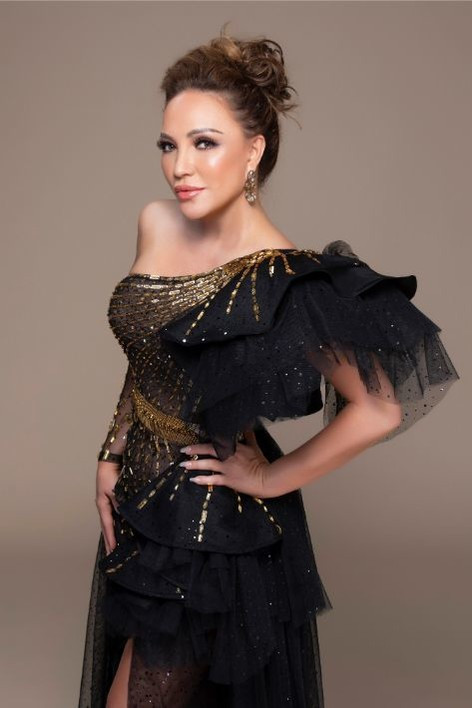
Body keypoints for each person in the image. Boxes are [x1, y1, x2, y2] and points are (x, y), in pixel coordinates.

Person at [78, 26, 460, 708]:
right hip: (142, 503)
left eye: (204, 143)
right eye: (169, 145)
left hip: (208, 527)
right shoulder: (157, 223)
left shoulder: (284, 280)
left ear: (252, 150)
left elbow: (379, 408)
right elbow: (150, 350)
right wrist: (113, 448)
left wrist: (270, 477)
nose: (180, 167)